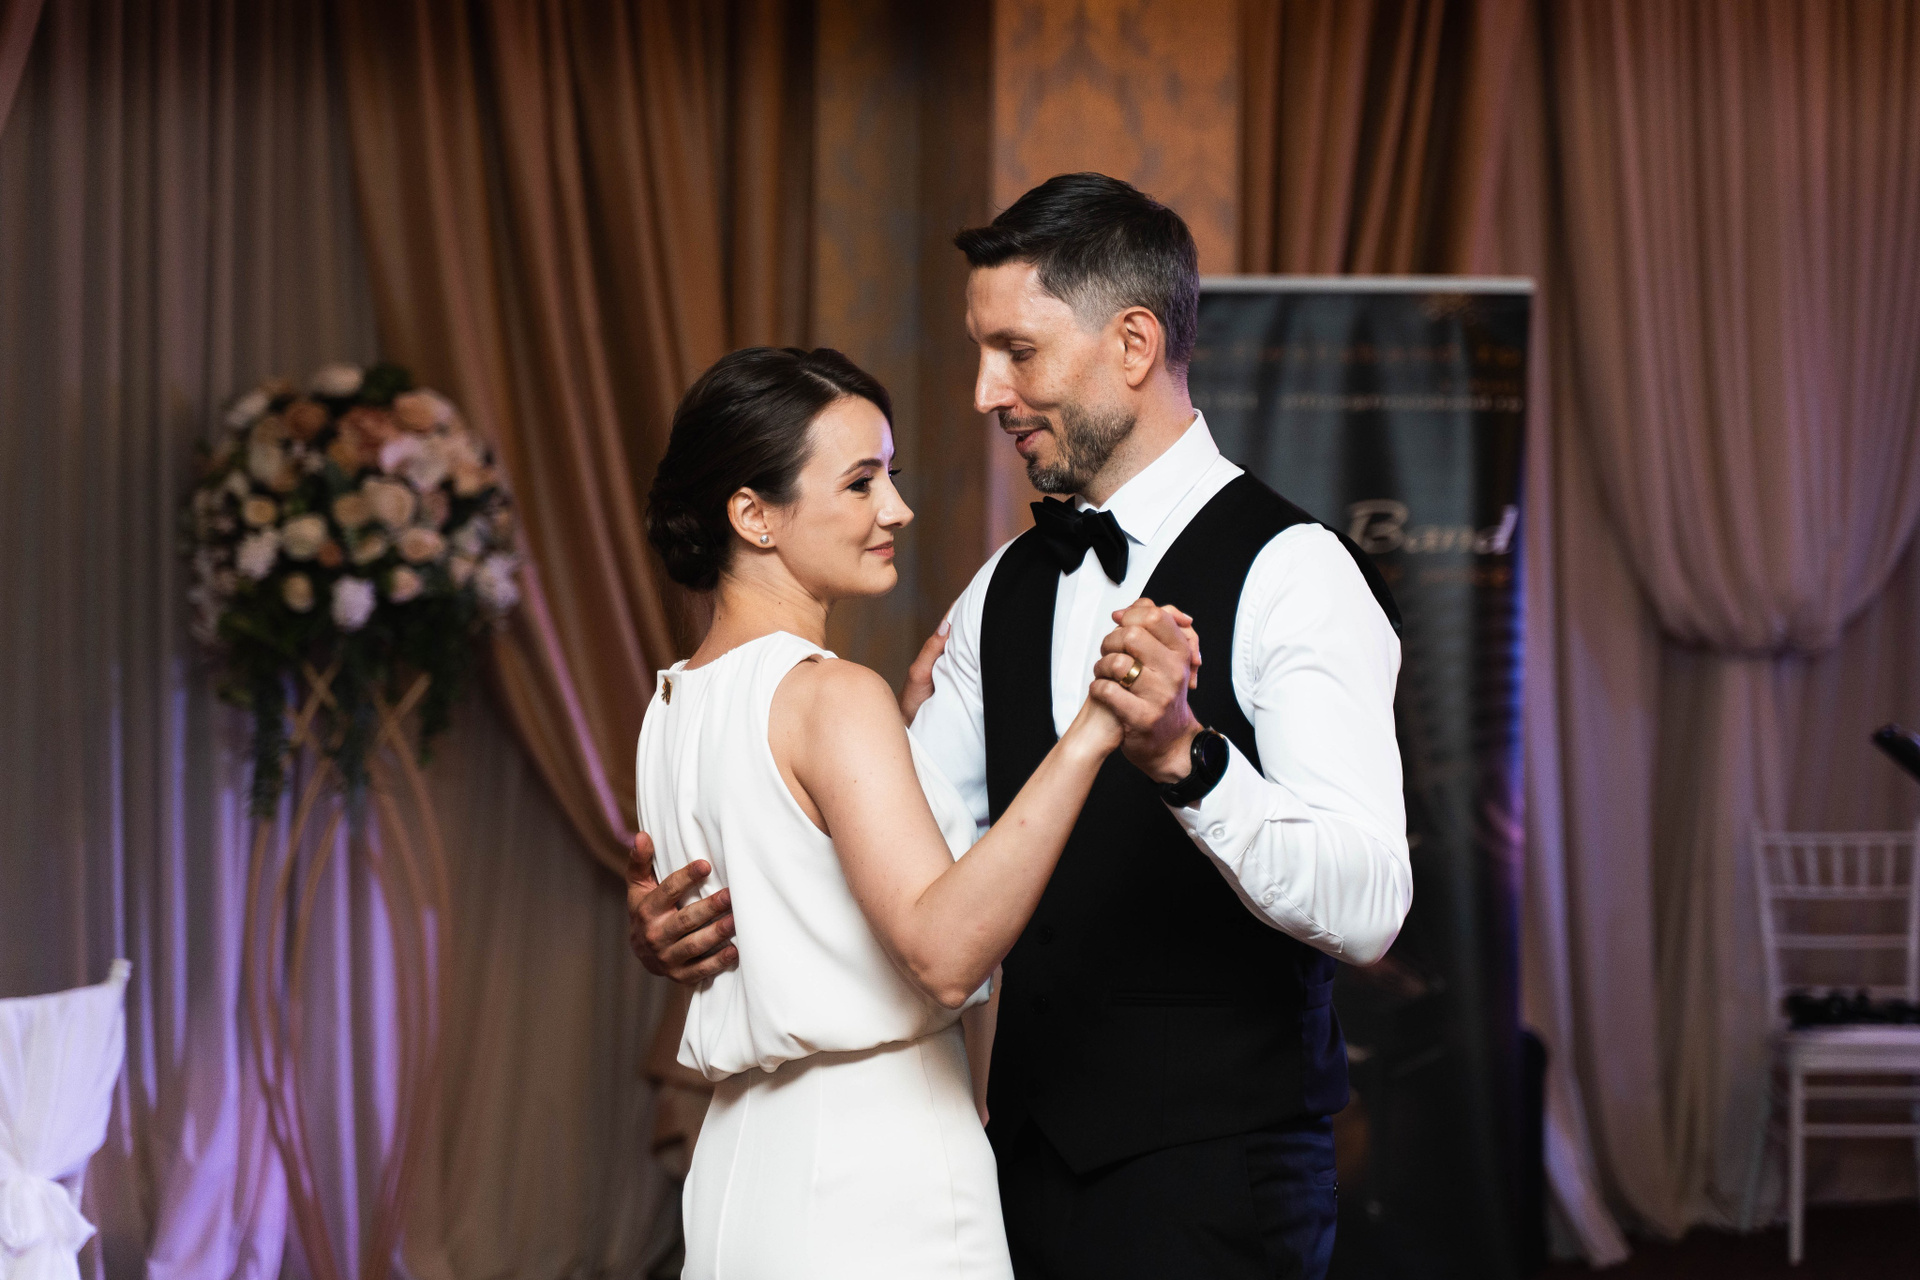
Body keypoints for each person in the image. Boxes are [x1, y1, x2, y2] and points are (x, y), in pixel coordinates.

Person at [632, 174, 1410, 1280]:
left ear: (1133, 344)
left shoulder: (1299, 572)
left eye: (1017, 352)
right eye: (981, 352)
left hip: (1216, 1179)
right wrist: (707, 916)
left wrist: (1189, 762)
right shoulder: (1002, 587)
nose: (985, 392)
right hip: (1016, 1167)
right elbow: (910, 873)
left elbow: (1370, 906)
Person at [634, 345, 1197, 1280]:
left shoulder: (674, 704)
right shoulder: (831, 697)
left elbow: (795, 887)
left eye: (889, 477)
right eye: (860, 483)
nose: (895, 508)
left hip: (741, 1168)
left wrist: (901, 741)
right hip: (874, 1169)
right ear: (753, 515)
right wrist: (1094, 729)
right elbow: (943, 957)